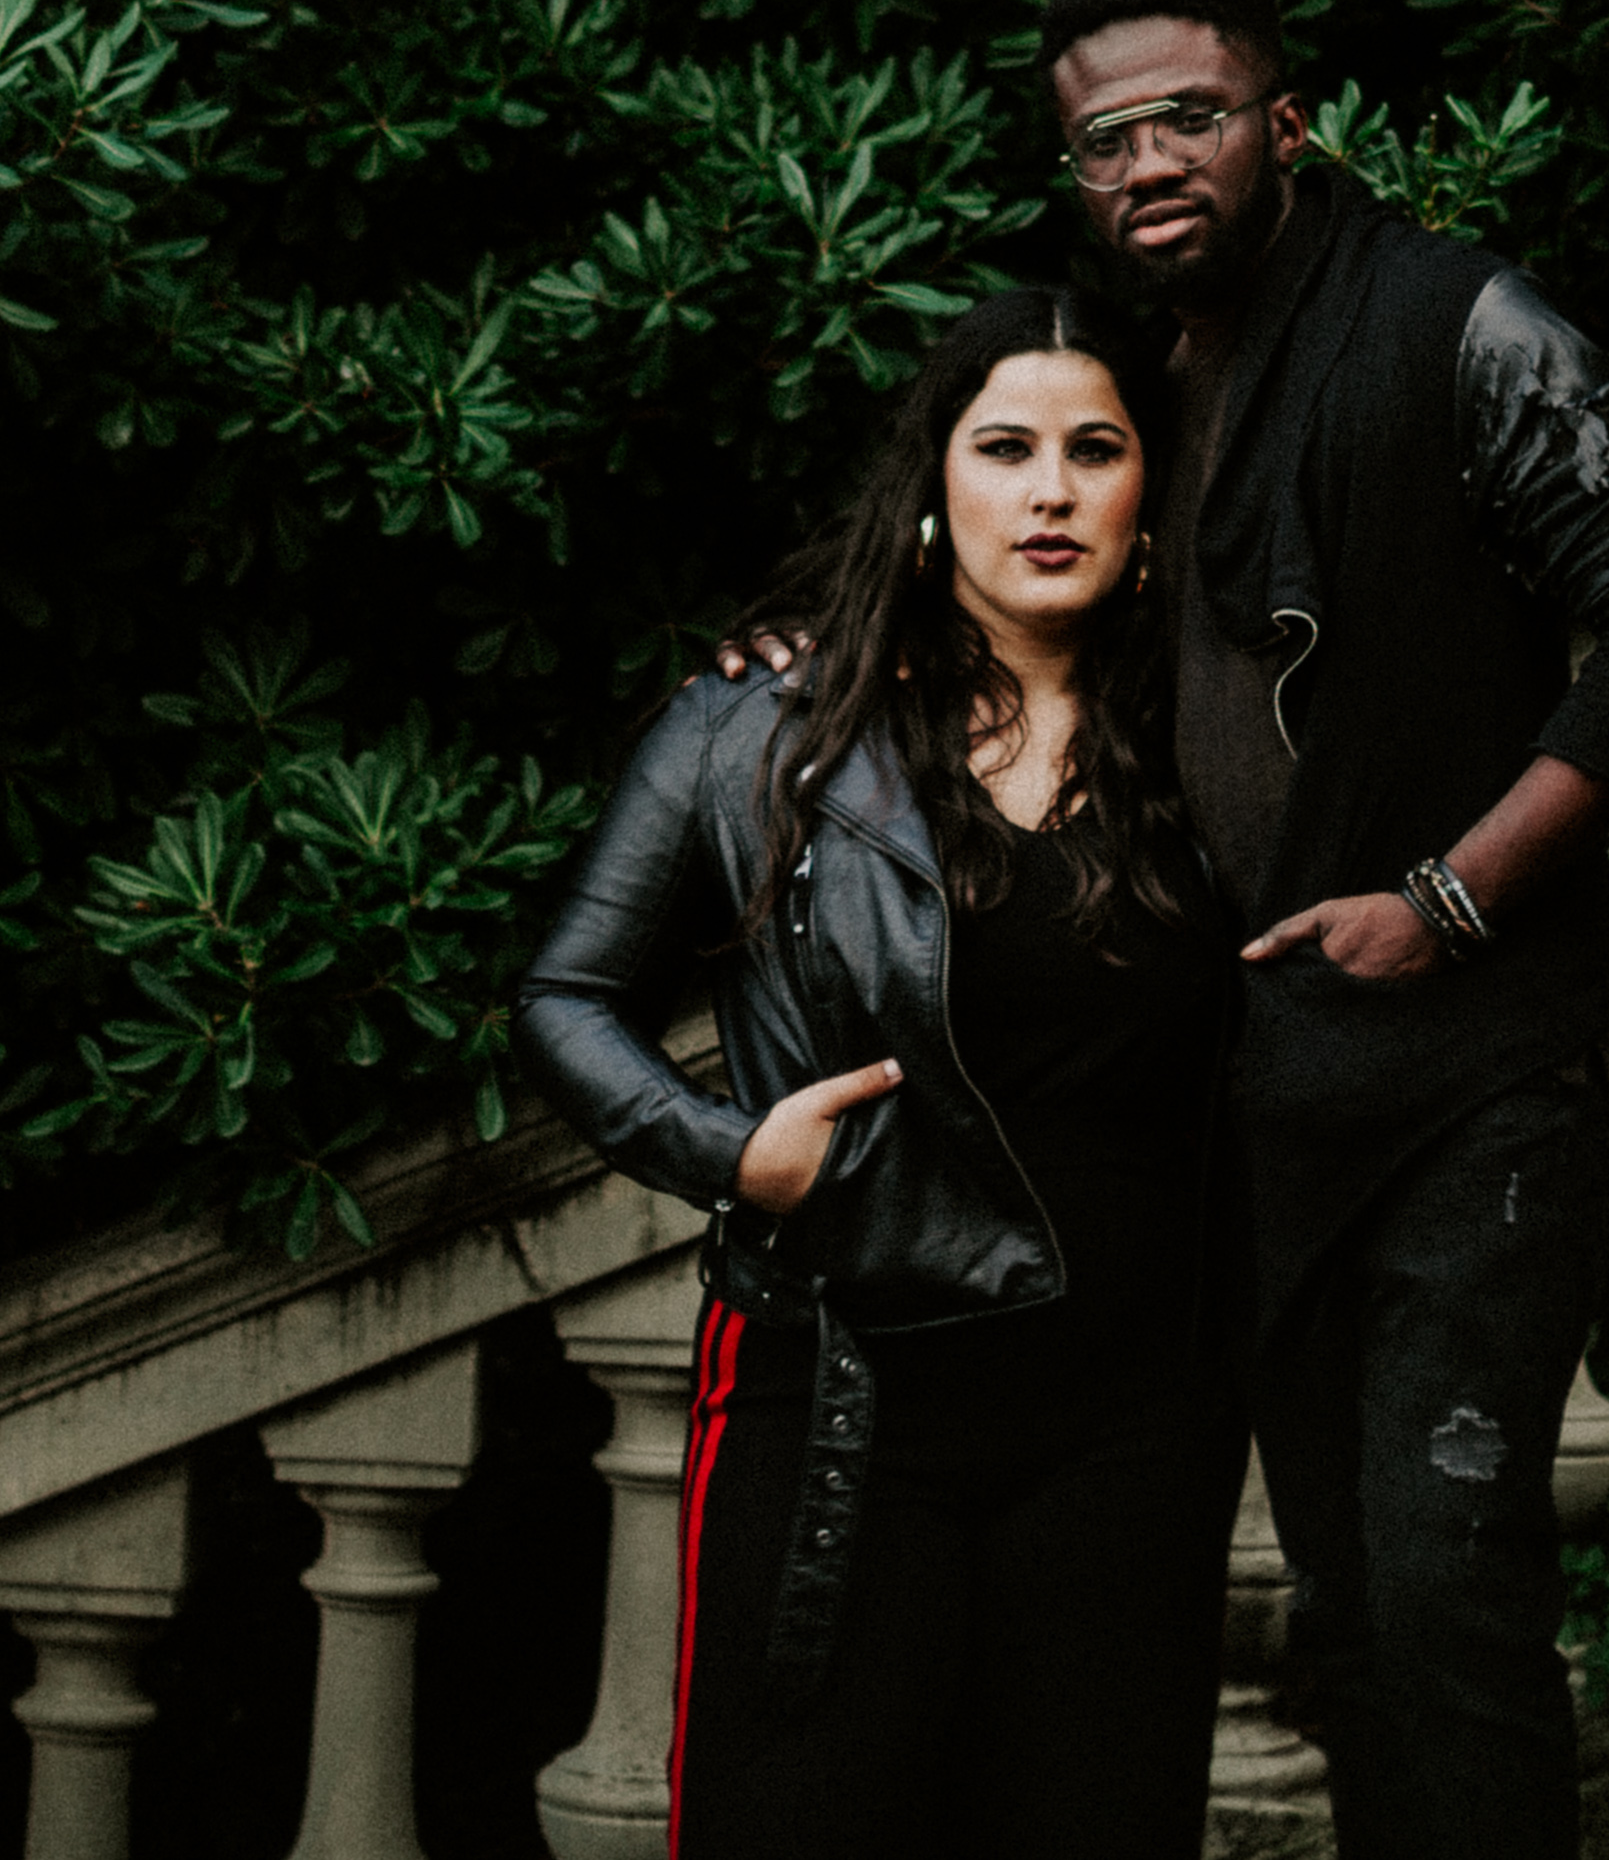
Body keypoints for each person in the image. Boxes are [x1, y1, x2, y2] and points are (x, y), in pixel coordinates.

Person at [730, 0, 1609, 1856]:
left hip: (1479, 1074)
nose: (1148, 161)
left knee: (1446, 1599)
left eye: (1189, 115)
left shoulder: (1449, 318)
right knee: (1349, 1620)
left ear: (1286, 121)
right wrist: (815, 642)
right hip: (1259, 1104)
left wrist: (1448, 897)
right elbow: (1007, 563)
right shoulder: (1134, 377)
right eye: (1104, 138)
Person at [515, 286, 1240, 1859]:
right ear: (934, 481)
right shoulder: (766, 725)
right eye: (1005, 446)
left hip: (1132, 1421)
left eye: (1096, 448)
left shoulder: (1221, 729)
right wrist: (727, 1152)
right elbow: (567, 997)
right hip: (841, 1399)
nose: (1050, 490)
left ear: (1152, 490)